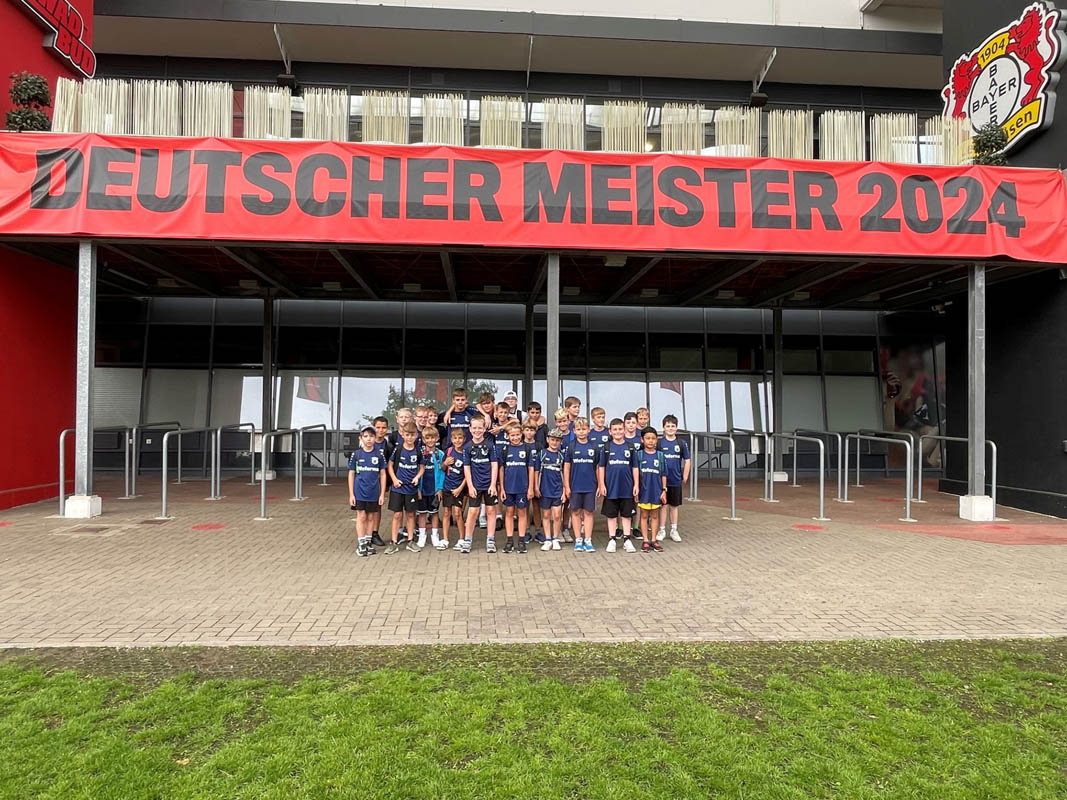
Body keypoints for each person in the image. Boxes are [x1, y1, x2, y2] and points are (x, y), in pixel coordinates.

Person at [598, 418, 639, 553]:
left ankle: (627, 539)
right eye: (615, 429)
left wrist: (636, 485)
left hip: (627, 487)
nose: (618, 432)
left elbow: (635, 467)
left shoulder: (630, 447)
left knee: (626, 514)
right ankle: (612, 539)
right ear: (610, 431)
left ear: (624, 430)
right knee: (611, 514)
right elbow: (601, 467)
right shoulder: (606, 448)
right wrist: (601, 484)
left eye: (620, 429)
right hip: (611, 487)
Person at [462, 415, 499, 554]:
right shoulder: (467, 447)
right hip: (475, 485)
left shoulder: (490, 445)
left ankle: (490, 540)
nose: (477, 430)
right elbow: (467, 468)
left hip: (489, 484)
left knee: (490, 511)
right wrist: (470, 486)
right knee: (473, 512)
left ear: (484, 429)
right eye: (474, 428)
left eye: (480, 428)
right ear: (470, 429)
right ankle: (467, 540)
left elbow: (494, 465)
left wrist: (493, 484)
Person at [348, 427, 386, 557]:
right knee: (362, 516)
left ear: (375, 438)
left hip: (373, 492)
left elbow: (383, 474)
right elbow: (351, 473)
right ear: (361, 438)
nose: (368, 439)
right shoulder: (356, 454)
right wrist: (351, 494)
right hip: (359, 491)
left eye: (371, 436)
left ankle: (368, 542)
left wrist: (382, 494)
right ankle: (361, 543)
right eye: (365, 436)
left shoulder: (379, 455)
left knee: (371, 517)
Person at [385, 423, 422, 554]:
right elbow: (390, 465)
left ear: (416, 435)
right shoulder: (398, 449)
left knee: (411, 514)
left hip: (411, 489)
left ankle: (410, 541)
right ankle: (394, 542)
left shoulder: (418, 450)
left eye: (412, 435)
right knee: (397, 515)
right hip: (398, 488)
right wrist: (394, 479)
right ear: (403, 435)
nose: (410, 438)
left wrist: (417, 477)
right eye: (407, 435)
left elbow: (422, 467)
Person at [498, 422, 535, 553]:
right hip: (509, 488)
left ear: (522, 434)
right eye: (512, 435)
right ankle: (509, 540)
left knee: (522, 513)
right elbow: (501, 470)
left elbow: (531, 469)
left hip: (522, 488)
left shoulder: (527, 449)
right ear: (508, 436)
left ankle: (521, 540)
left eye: (517, 435)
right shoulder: (504, 450)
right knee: (509, 513)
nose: (515, 438)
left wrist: (530, 487)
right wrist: (502, 488)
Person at [564, 416, 598, 552]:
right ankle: (578, 539)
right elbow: (567, 467)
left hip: (590, 485)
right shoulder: (571, 446)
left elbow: (598, 467)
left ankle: (588, 539)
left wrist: (600, 485)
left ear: (588, 430)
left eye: (584, 429)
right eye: (578, 429)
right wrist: (567, 486)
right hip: (575, 485)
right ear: (574, 431)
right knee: (576, 511)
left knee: (588, 512)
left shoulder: (594, 446)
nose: (581, 432)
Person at [657, 415, 690, 543]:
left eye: (673, 426)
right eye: (668, 426)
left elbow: (687, 460)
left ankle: (674, 530)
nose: (670, 428)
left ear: (676, 428)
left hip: (675, 479)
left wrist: (685, 475)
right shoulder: (659, 443)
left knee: (674, 506)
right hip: (661, 481)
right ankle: (661, 530)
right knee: (663, 506)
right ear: (663, 428)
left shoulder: (681, 443)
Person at [635, 426, 667, 553]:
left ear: (656, 440)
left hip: (656, 490)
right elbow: (635, 473)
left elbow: (664, 474)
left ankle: (654, 540)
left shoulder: (660, 456)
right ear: (642, 440)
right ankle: (645, 540)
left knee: (654, 515)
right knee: (643, 515)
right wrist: (636, 488)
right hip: (644, 491)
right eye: (647, 438)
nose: (650, 441)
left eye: (653, 438)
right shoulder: (638, 455)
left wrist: (664, 490)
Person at [536, 428, 567, 551]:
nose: (555, 442)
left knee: (557, 515)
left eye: (557, 440)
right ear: (547, 439)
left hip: (558, 490)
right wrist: (536, 487)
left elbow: (565, 473)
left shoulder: (562, 456)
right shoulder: (542, 454)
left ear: (561, 442)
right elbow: (536, 472)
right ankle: (548, 539)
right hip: (544, 489)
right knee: (546, 515)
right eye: (552, 440)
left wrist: (564, 490)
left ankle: (555, 538)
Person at [416, 426, 446, 550]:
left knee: (434, 513)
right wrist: (418, 489)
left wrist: (440, 488)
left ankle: (435, 535)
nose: (430, 440)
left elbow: (442, 472)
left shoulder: (440, 454)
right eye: (427, 438)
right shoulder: (419, 453)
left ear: (437, 438)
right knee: (422, 513)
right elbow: (416, 471)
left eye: (432, 438)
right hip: (422, 489)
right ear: (423, 439)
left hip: (434, 489)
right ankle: (422, 535)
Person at [441, 427, 469, 551]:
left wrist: (460, 488)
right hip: (447, 486)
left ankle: (462, 539)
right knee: (447, 513)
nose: (457, 440)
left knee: (458, 513)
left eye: (460, 438)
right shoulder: (449, 451)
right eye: (455, 438)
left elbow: (468, 475)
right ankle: (445, 539)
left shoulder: (466, 453)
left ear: (464, 439)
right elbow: (442, 468)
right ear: (451, 439)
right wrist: (445, 463)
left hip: (459, 488)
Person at [521, 419, 545, 544]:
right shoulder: (520, 445)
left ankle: (538, 531)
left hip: (536, 480)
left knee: (536, 506)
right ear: (523, 431)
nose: (529, 433)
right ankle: (526, 531)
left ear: (535, 431)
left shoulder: (539, 446)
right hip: (523, 479)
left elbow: (541, 465)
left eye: (532, 430)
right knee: (524, 506)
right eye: (527, 430)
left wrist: (536, 485)